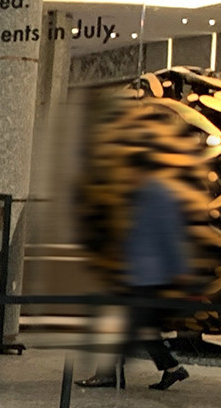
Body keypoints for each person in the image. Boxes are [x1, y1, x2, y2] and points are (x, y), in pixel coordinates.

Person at [80, 150, 191, 391]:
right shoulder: (144, 194)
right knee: (143, 328)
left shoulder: (156, 195)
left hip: (149, 275)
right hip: (141, 274)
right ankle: (173, 369)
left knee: (124, 326)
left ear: (140, 170)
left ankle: (106, 374)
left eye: (130, 171)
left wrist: (178, 269)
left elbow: (169, 234)